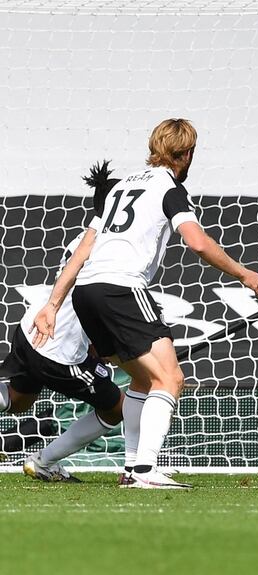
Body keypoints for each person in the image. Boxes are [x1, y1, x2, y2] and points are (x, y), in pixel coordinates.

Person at [31, 119, 258, 489]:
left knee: (142, 381)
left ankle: (132, 468)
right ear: (186, 155)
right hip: (121, 288)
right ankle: (145, 472)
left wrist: (53, 304)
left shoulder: (119, 187)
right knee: (170, 378)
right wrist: (243, 274)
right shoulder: (169, 188)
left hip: (86, 291)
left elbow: (84, 249)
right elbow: (198, 243)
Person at [1, 164, 124, 481]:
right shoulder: (115, 251)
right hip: (58, 350)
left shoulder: (84, 238)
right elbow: (97, 306)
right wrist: (108, 350)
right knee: (116, 406)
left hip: (30, 330)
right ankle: (44, 462)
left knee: (17, 400)